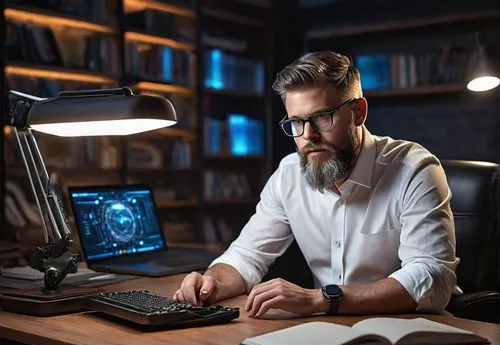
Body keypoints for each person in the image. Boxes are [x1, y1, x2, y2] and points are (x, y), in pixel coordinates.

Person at [173, 50, 459, 318]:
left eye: (322, 117)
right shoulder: (289, 175)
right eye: (296, 122)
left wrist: (322, 299)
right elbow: (247, 255)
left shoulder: (414, 169)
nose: (308, 135)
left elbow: (432, 276)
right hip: (328, 331)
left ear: (358, 112)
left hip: (413, 333)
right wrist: (212, 282)